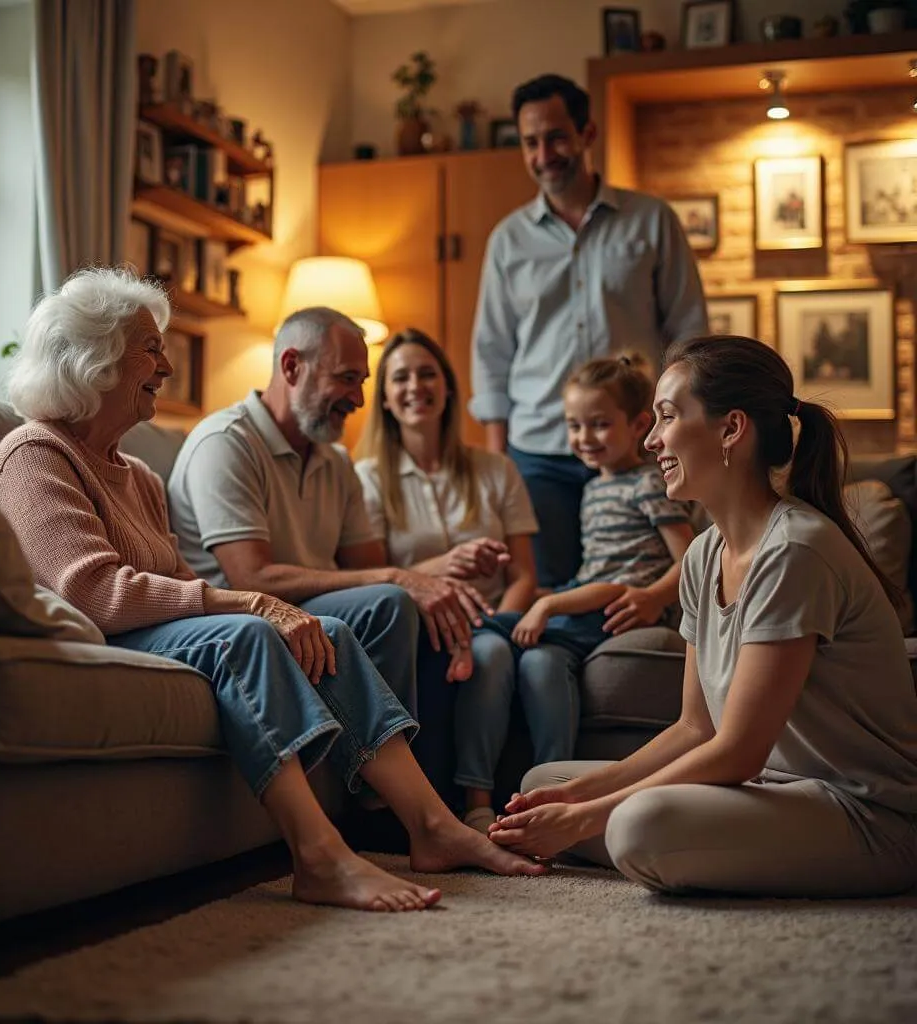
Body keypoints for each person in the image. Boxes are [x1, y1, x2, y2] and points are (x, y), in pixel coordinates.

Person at [0, 269, 544, 913]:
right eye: (151, 348)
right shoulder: (34, 453)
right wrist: (249, 603)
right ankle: (320, 857)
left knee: (328, 632)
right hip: (98, 633)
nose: (166, 364)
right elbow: (92, 592)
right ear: (95, 358)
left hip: (147, 628)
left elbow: (180, 586)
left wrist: (259, 606)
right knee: (247, 632)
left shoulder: (134, 474)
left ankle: (431, 825)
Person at [489, 335, 917, 898]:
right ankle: (641, 833)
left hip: (862, 813)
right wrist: (581, 798)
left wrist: (586, 818)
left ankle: (641, 839)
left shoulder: (795, 550)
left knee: (636, 824)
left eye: (666, 417)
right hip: (768, 791)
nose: (650, 440)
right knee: (547, 783)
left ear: (731, 429)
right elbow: (697, 728)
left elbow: (738, 749)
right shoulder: (703, 552)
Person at [167, 307, 490, 795]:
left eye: (362, 381)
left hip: (310, 611)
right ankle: (381, 795)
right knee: (390, 600)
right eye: (346, 379)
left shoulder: (336, 461)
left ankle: (429, 789)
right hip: (242, 615)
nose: (359, 399)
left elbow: (369, 570)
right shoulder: (226, 442)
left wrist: (426, 586)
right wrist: (401, 580)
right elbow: (249, 577)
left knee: (407, 607)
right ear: (292, 366)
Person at [469, 72, 707, 588]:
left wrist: (675, 429)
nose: (543, 154)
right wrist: (499, 462)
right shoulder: (508, 240)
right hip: (538, 453)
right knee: (549, 590)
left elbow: (688, 333)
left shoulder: (651, 221)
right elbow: (492, 351)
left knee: (645, 584)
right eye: (530, 142)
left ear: (587, 133)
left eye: (555, 137)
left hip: (639, 446)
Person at [471, 354, 693, 832]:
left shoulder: (650, 482)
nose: (584, 438)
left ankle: (469, 626)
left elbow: (692, 556)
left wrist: (654, 596)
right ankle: (546, 786)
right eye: (574, 425)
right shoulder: (594, 488)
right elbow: (593, 569)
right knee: (537, 660)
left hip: (621, 604)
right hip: (592, 593)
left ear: (638, 425)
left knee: (501, 625)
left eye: (598, 424)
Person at [353, 328, 539, 832]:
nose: (416, 385)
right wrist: (447, 564)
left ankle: (491, 806)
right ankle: (467, 809)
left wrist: (501, 623)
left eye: (427, 373)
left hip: (498, 620)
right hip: (426, 626)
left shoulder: (496, 469)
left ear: (449, 387)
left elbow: (524, 574)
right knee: (485, 655)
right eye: (401, 377)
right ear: (386, 398)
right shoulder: (366, 478)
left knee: (494, 650)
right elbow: (375, 579)